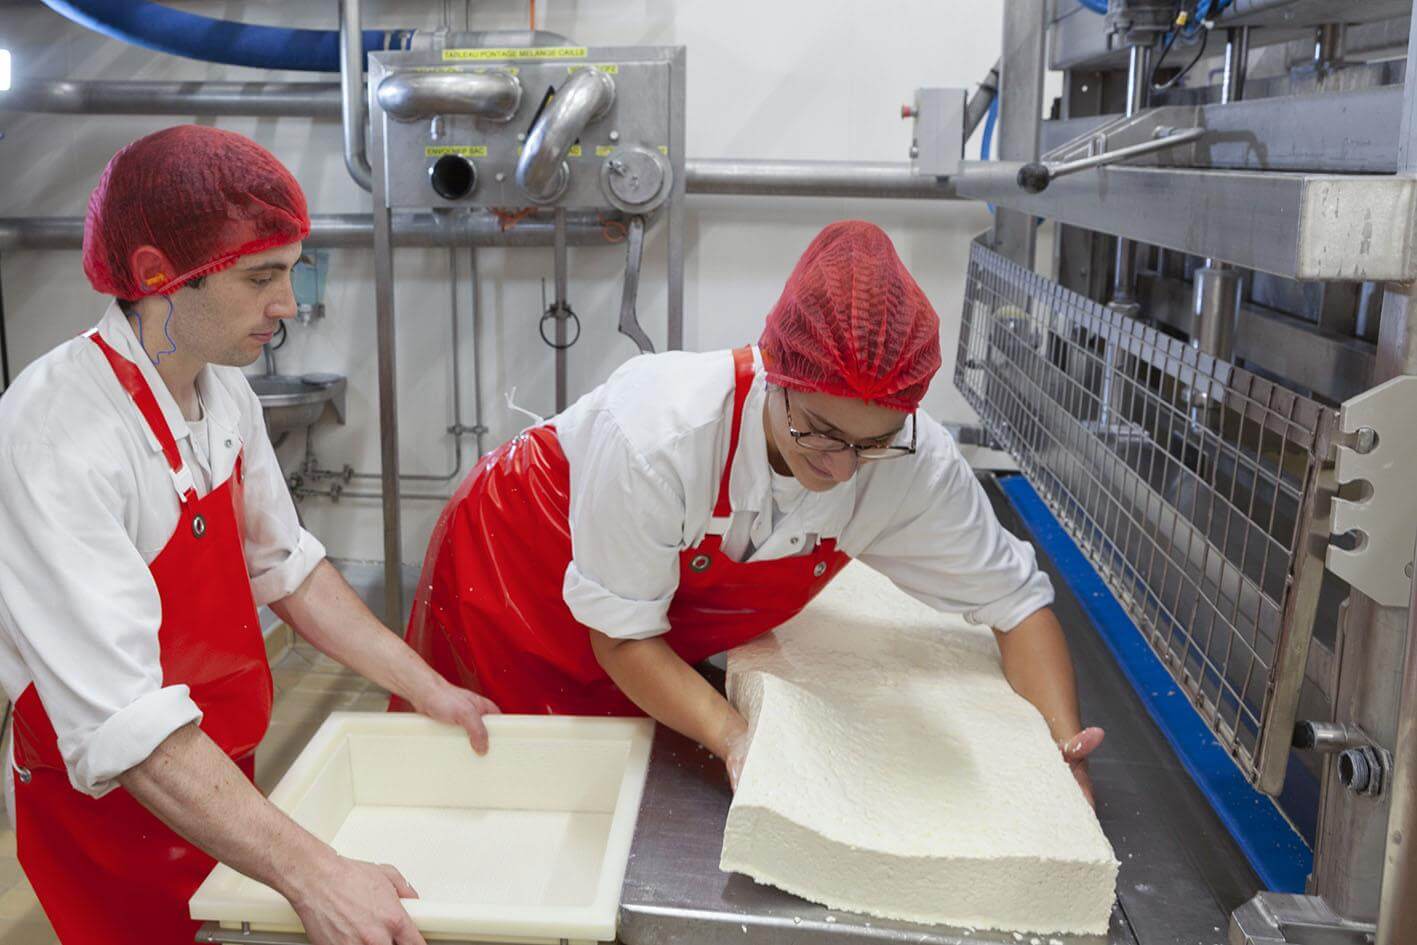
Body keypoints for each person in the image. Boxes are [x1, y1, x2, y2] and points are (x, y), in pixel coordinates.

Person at [0, 125, 499, 945]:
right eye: (261, 277)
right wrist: (316, 872)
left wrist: (428, 685)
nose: (289, 304)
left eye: (290, 272)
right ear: (158, 275)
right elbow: (125, 723)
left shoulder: (224, 393)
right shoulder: (58, 436)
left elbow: (287, 567)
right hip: (111, 807)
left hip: (216, 770)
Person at [401, 220, 1104, 801]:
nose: (840, 467)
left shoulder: (915, 462)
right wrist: (734, 735)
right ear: (775, 372)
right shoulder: (659, 435)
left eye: (872, 444)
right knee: (486, 787)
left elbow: (1016, 603)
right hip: (517, 568)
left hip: (640, 626)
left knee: (611, 795)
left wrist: (1060, 746)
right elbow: (618, 640)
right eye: (819, 433)